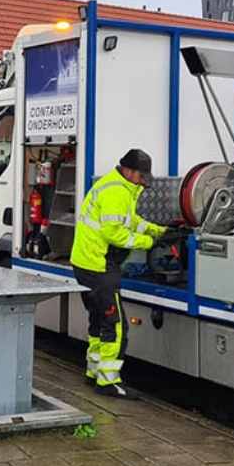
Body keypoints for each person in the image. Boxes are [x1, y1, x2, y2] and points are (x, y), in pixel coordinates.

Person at [70, 149, 167, 400]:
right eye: (141, 175)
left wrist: (157, 230)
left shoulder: (116, 186)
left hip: (87, 262)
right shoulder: (117, 191)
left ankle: (93, 372)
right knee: (116, 325)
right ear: (128, 170)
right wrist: (148, 243)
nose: (144, 180)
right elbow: (114, 233)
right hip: (99, 265)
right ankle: (108, 382)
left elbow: (129, 220)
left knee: (98, 320)